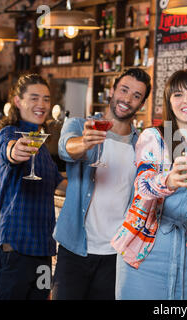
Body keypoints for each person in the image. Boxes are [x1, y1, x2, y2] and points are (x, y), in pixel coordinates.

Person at [111, 69, 187, 300]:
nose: (186, 100)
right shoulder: (155, 136)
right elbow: (142, 186)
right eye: (177, 95)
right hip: (145, 250)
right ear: (169, 102)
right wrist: (168, 181)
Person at [51, 68, 151, 300]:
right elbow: (66, 149)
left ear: (142, 103)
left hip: (115, 254)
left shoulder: (143, 144)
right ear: (113, 90)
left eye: (136, 96)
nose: (127, 99)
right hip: (75, 249)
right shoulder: (79, 125)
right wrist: (84, 143)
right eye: (124, 90)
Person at [0, 73, 66, 300]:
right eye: (34, 98)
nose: (41, 105)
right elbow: (10, 150)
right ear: (18, 101)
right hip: (14, 253)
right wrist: (16, 150)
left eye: (45, 99)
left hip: (43, 254)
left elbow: (61, 183)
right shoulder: (9, 134)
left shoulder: (41, 146)